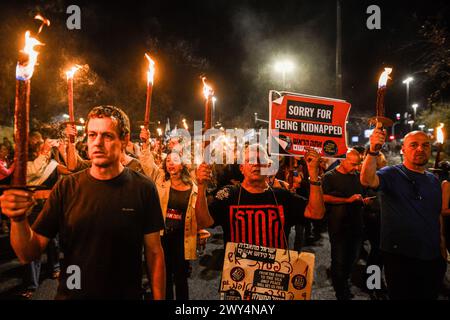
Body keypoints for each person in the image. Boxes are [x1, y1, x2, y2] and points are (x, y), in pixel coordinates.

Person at [0, 105, 166, 300]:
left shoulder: (143, 188)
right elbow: (28, 253)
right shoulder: (67, 188)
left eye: (107, 136)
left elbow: (154, 253)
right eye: (92, 135)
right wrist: (18, 220)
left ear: (124, 140)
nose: (97, 143)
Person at [360, 129, 447, 300]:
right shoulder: (391, 173)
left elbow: (437, 215)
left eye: (425, 145)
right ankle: (373, 286)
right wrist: (373, 150)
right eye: (414, 145)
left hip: (432, 257)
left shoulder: (434, 180)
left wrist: (442, 246)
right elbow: (367, 180)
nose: (420, 149)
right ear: (403, 150)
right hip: (400, 256)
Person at [195, 144, 325, 251]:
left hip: (272, 276)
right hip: (238, 276)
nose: (255, 164)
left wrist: (314, 176)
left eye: (261, 160)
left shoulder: (282, 196)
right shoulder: (229, 194)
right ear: (242, 168)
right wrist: (201, 186)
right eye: (250, 160)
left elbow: (316, 213)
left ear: (268, 167)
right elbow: (203, 222)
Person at [139, 128, 210, 300]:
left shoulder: (193, 188)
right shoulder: (160, 180)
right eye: (168, 161)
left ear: (183, 164)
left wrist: (200, 230)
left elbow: (195, 213)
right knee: (165, 276)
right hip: (162, 238)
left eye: (175, 160)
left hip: (182, 239)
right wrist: (145, 143)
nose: (170, 163)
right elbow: (147, 163)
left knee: (181, 278)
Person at [322, 148, 374, 300]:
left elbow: (363, 194)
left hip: (357, 225)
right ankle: (341, 292)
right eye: (353, 164)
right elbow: (323, 197)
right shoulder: (329, 177)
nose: (356, 168)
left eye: (358, 164)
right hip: (338, 227)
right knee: (338, 259)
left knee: (353, 258)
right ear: (342, 160)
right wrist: (347, 200)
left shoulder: (358, 176)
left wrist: (365, 201)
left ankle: (345, 281)